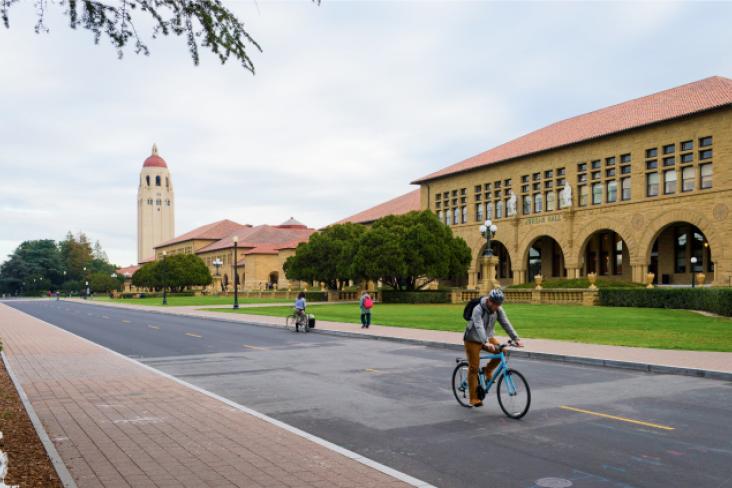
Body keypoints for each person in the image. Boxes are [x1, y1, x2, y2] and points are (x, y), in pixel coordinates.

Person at [463, 288, 524, 408]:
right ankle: (474, 398)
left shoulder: (498, 310)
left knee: (502, 351)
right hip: (472, 339)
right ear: (489, 300)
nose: (496, 306)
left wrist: (516, 338)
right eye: (495, 303)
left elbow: (506, 323)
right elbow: (479, 326)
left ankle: (487, 370)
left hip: (488, 337)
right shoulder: (478, 309)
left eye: (499, 304)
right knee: (474, 368)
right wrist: (485, 342)